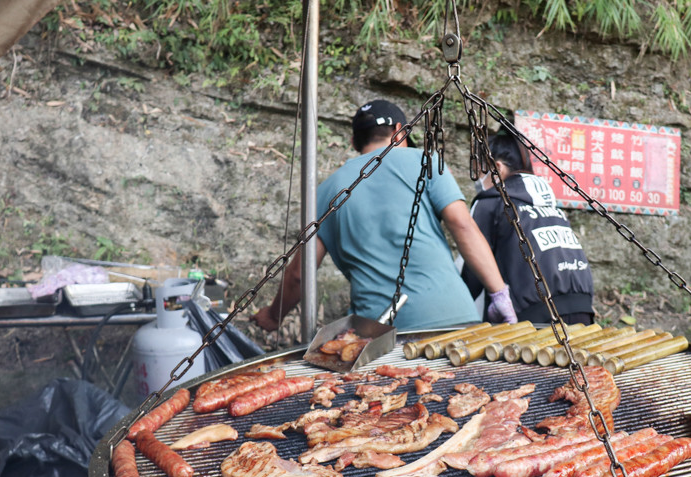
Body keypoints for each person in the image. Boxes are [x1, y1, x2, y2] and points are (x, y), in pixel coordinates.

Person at [252, 99, 516, 332]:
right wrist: (499, 293)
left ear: (354, 142)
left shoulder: (325, 192)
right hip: (454, 319)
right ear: (399, 131)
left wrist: (274, 316)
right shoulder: (425, 160)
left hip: (381, 334)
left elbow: (300, 274)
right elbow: (463, 225)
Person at [461, 130, 595, 324]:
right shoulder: (548, 202)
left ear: (497, 168)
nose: (478, 181)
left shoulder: (491, 202)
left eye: (479, 173)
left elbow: (473, 271)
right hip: (582, 306)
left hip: (533, 313)